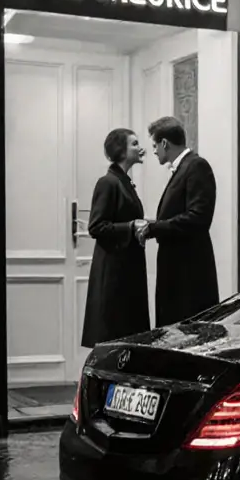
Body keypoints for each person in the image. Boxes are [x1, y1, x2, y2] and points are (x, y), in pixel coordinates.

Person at [138, 116, 220, 326]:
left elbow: (198, 218)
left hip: (189, 275)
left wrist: (154, 228)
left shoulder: (196, 166)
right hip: (179, 271)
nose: (154, 151)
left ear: (165, 143)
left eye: (155, 145)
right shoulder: (186, 167)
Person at [80, 128, 151, 348]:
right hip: (113, 273)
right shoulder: (108, 182)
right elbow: (97, 226)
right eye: (134, 143)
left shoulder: (124, 182)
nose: (141, 148)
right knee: (114, 335)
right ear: (120, 150)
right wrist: (131, 226)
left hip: (125, 269)